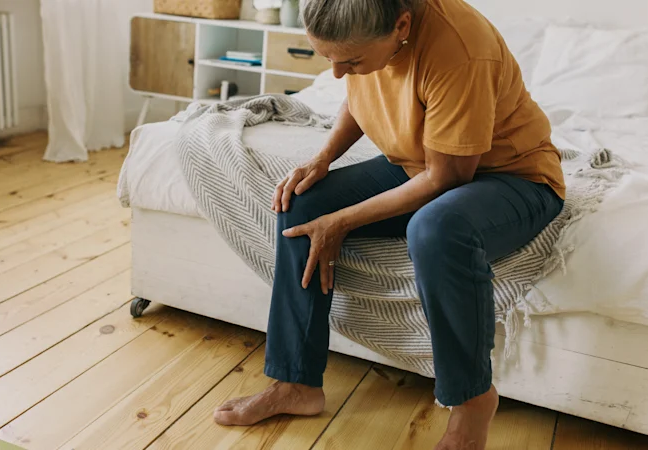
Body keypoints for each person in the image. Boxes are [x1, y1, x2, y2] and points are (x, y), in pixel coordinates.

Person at [213, 0, 565, 448]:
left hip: (510, 176)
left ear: (401, 27)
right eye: (328, 60)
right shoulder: (368, 28)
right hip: (418, 162)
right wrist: (321, 159)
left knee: (435, 230)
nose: (339, 73)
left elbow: (448, 177)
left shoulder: (460, 48)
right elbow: (360, 93)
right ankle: (296, 383)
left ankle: (472, 403)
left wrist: (341, 221)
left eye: (352, 61)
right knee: (300, 207)